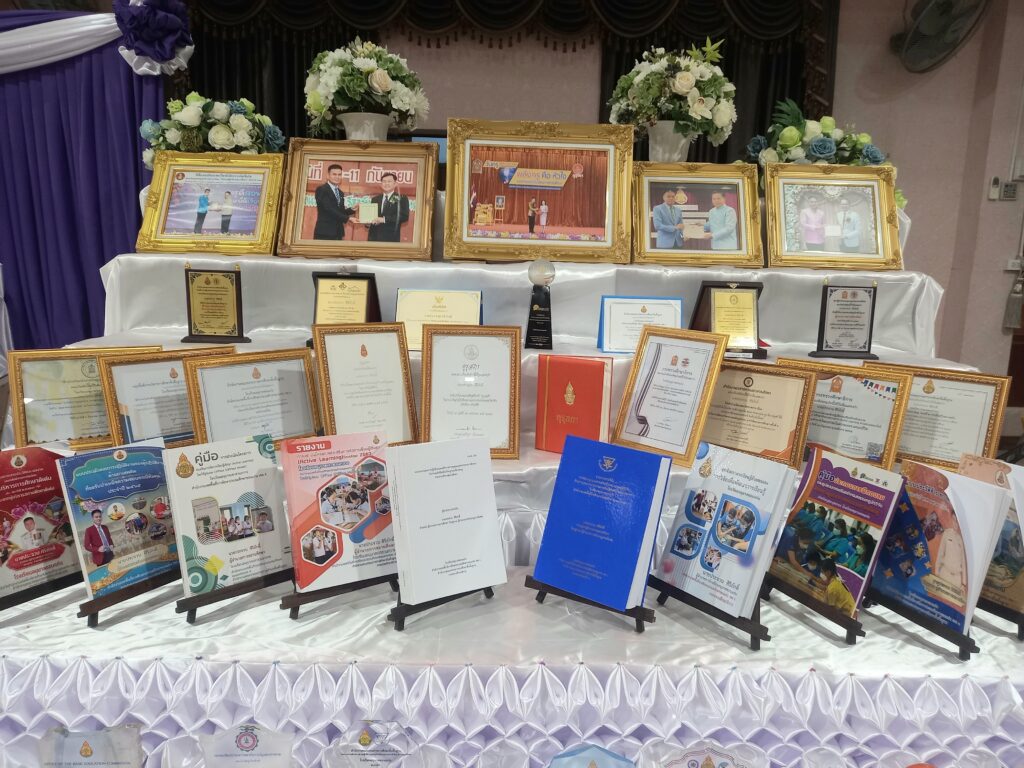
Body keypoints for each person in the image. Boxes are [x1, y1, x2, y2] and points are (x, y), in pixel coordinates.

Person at [313, 164, 356, 240]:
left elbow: (340, 211)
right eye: (334, 174)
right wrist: (348, 218)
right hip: (324, 232)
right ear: (328, 176)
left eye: (339, 174)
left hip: (338, 232)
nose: (337, 177)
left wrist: (352, 209)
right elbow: (328, 209)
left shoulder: (340, 192)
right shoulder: (322, 189)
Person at [367, 172, 410, 242]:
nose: (386, 183)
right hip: (373, 239)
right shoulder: (375, 199)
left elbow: (404, 216)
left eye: (389, 181)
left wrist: (384, 219)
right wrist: (368, 223)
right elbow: (373, 217)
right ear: (381, 184)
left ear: (395, 184)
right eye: (384, 181)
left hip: (390, 239)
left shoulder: (400, 198)